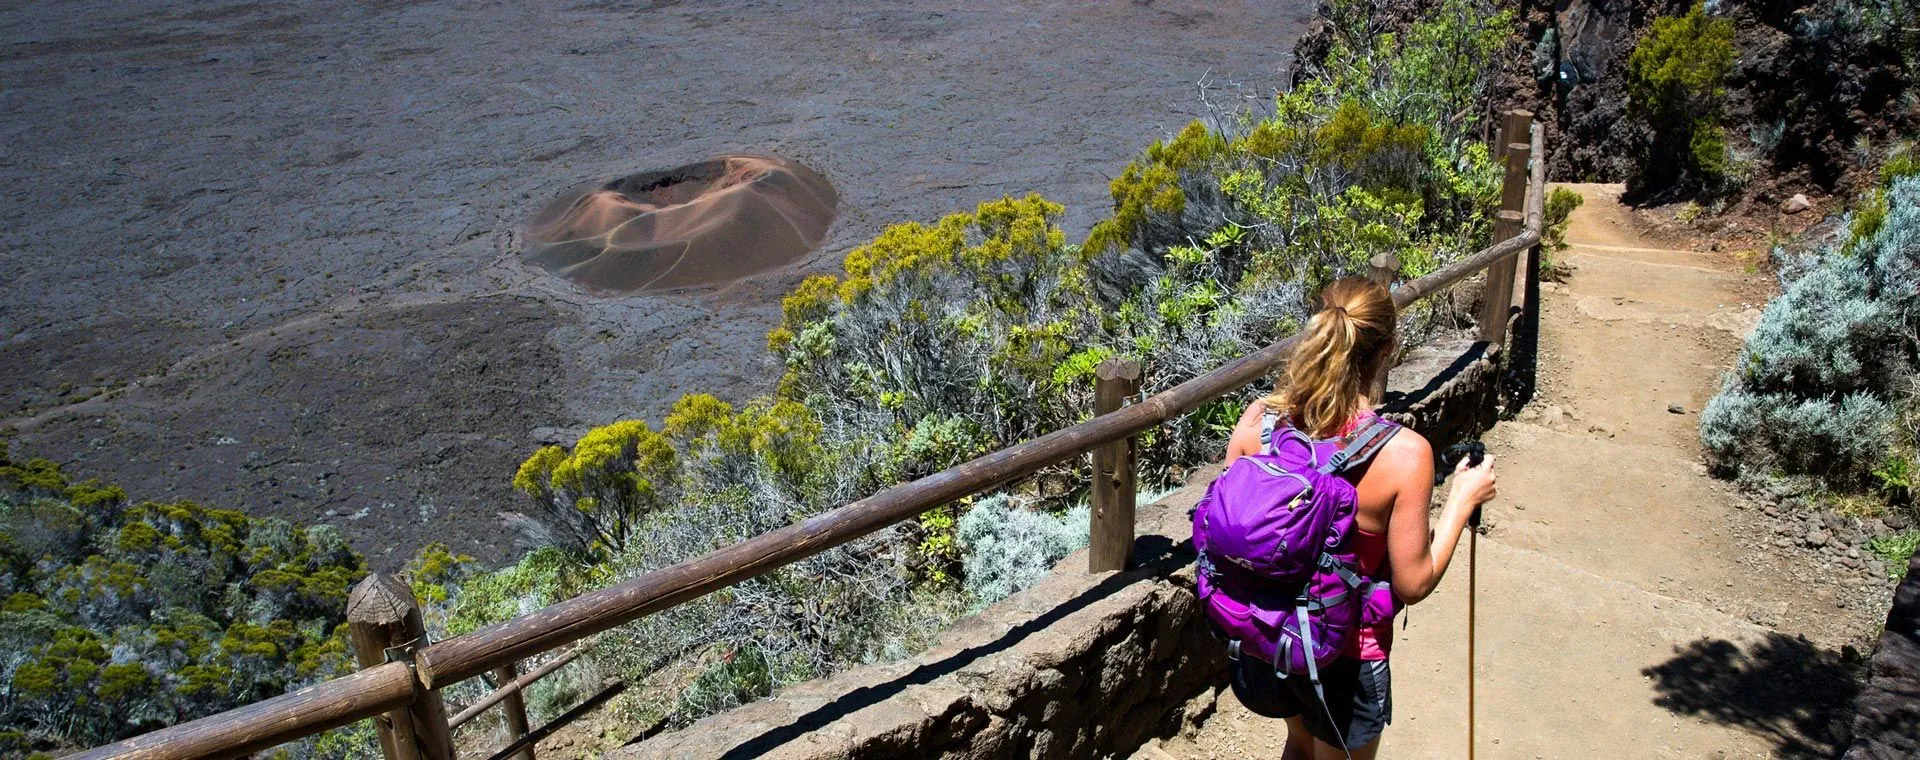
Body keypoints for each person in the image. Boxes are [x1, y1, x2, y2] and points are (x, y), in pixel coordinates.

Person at [1219, 277, 1498, 759]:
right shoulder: (1405, 454)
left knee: (1298, 746)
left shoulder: (1259, 421)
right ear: (1387, 348)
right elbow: (1412, 582)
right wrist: (1462, 500)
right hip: (1347, 653)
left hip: (1273, 636)